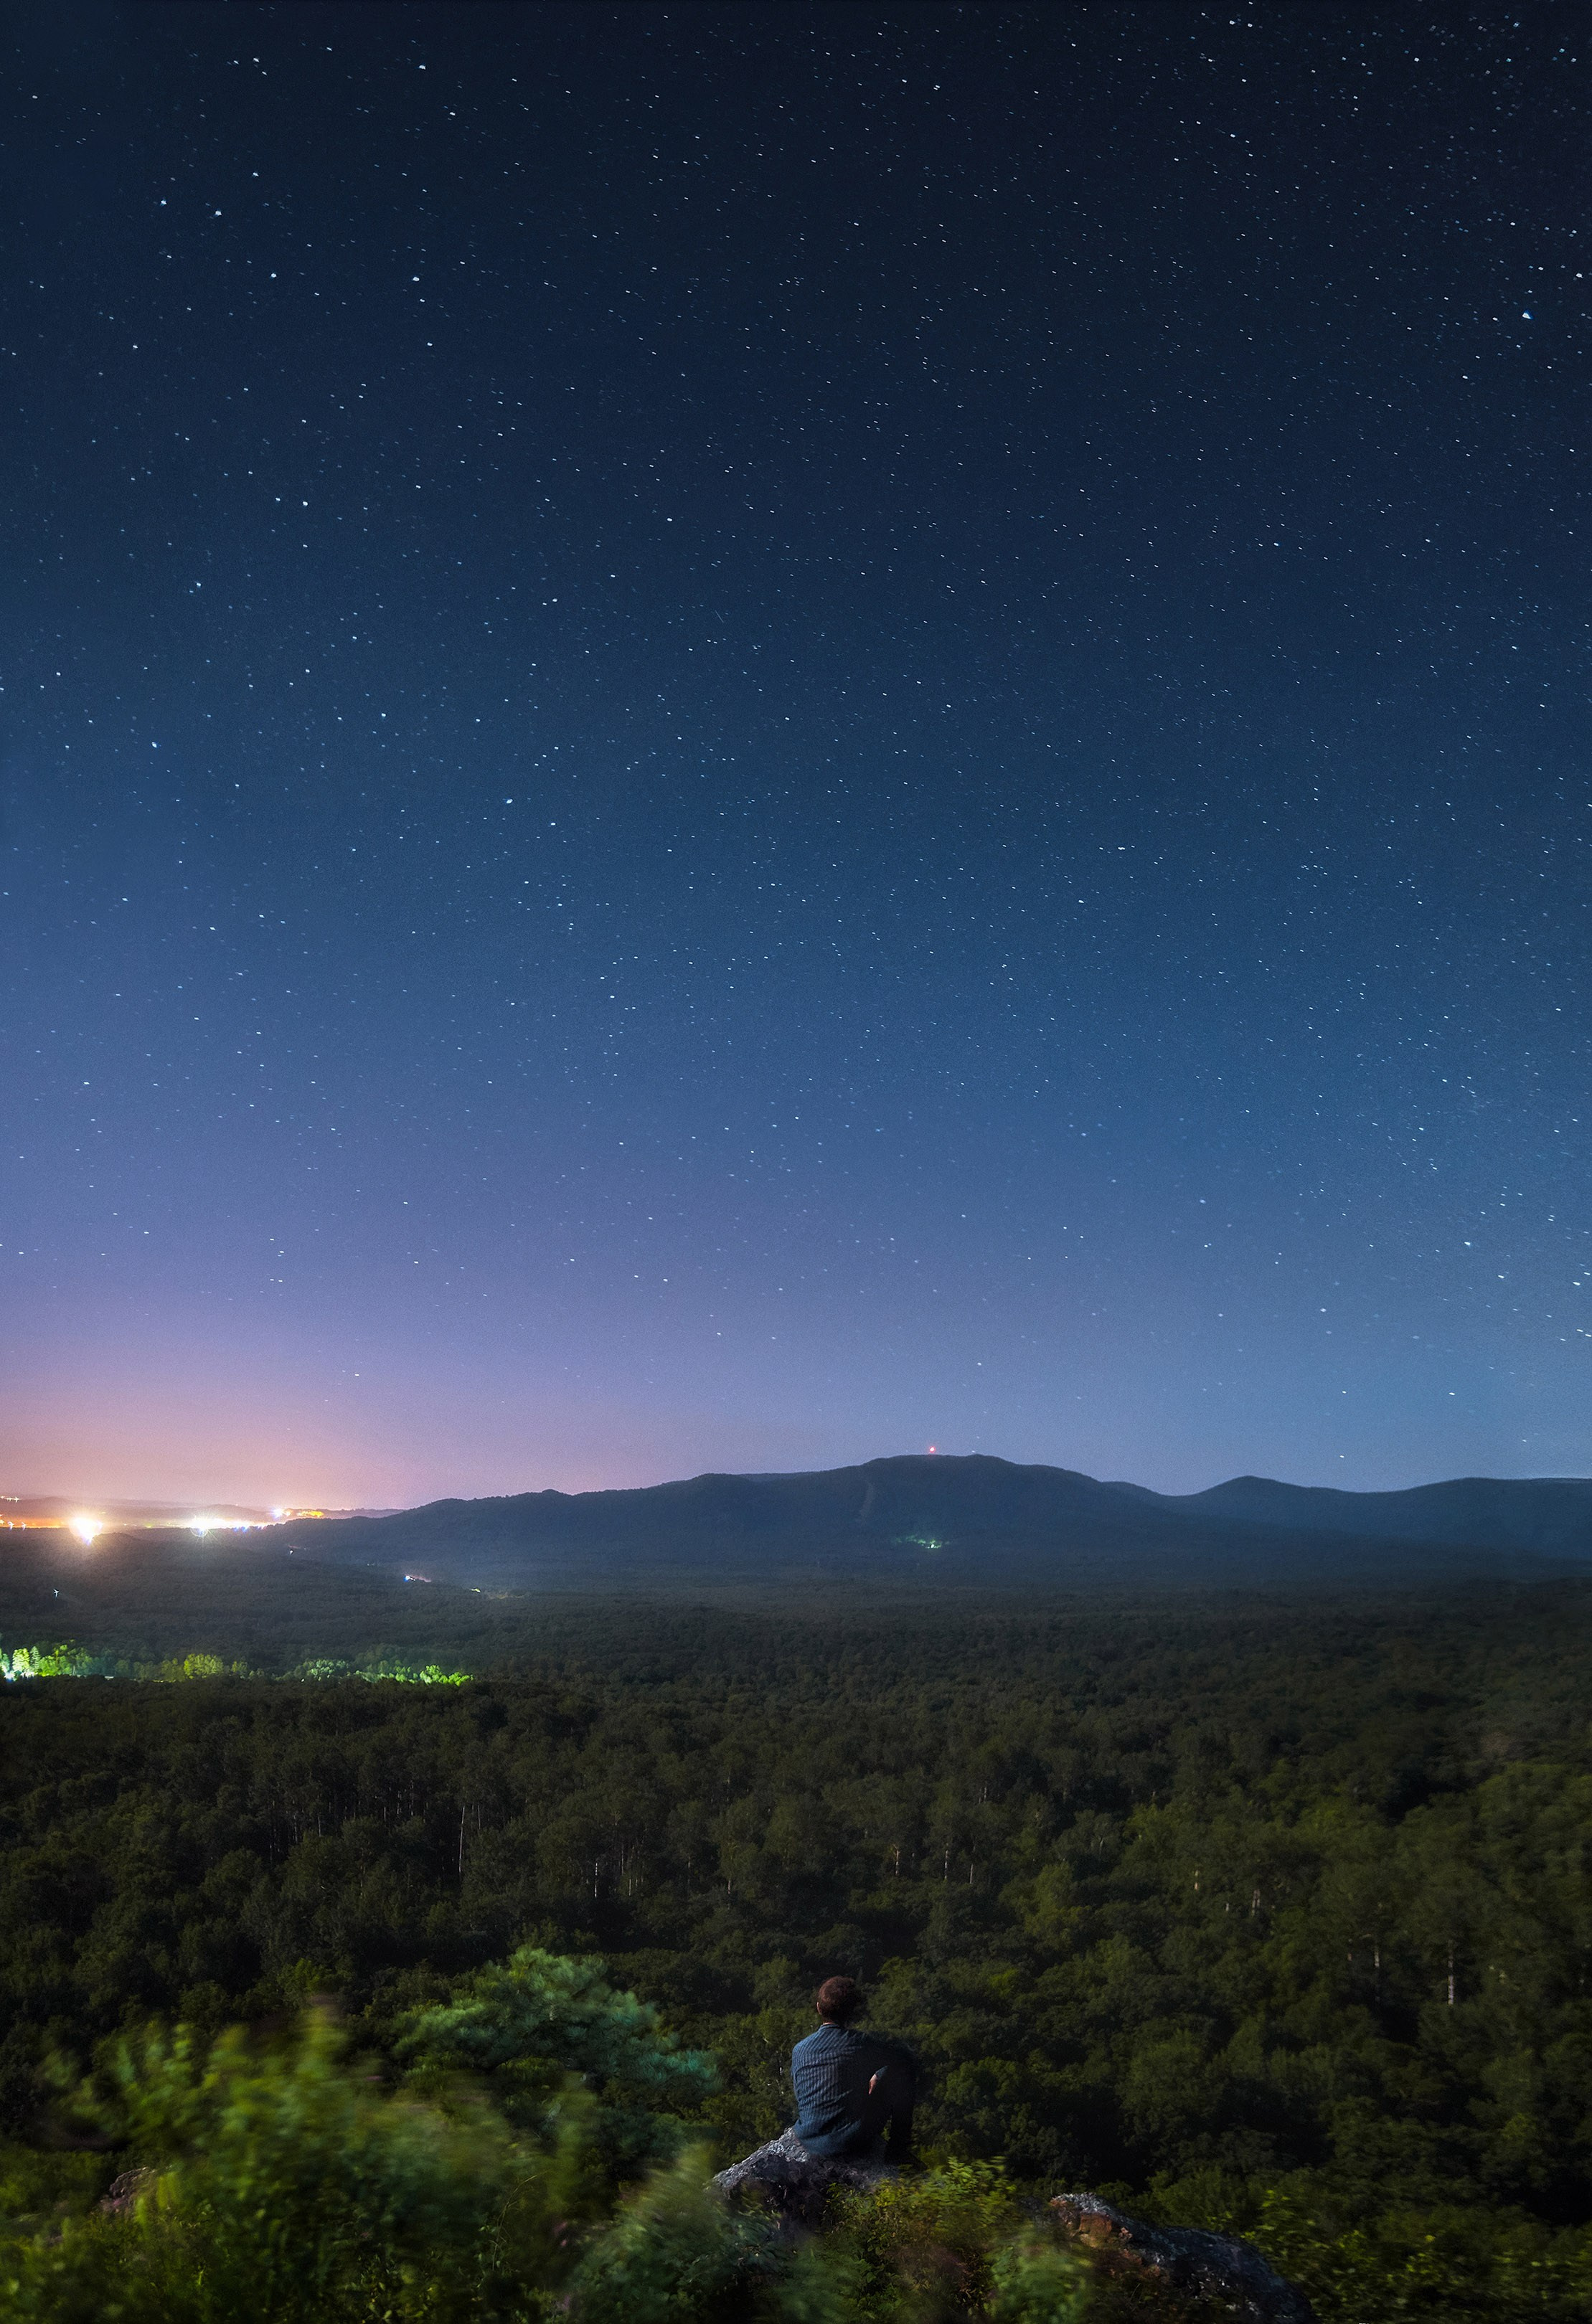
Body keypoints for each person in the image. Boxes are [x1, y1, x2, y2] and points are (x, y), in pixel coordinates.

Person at [789, 1975, 915, 2164]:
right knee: (901, 2074)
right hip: (850, 2140)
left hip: (809, 2138)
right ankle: (898, 2148)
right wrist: (879, 2075)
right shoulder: (860, 2044)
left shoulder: (799, 2050)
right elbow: (902, 2060)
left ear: (818, 2008)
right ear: (853, 2012)